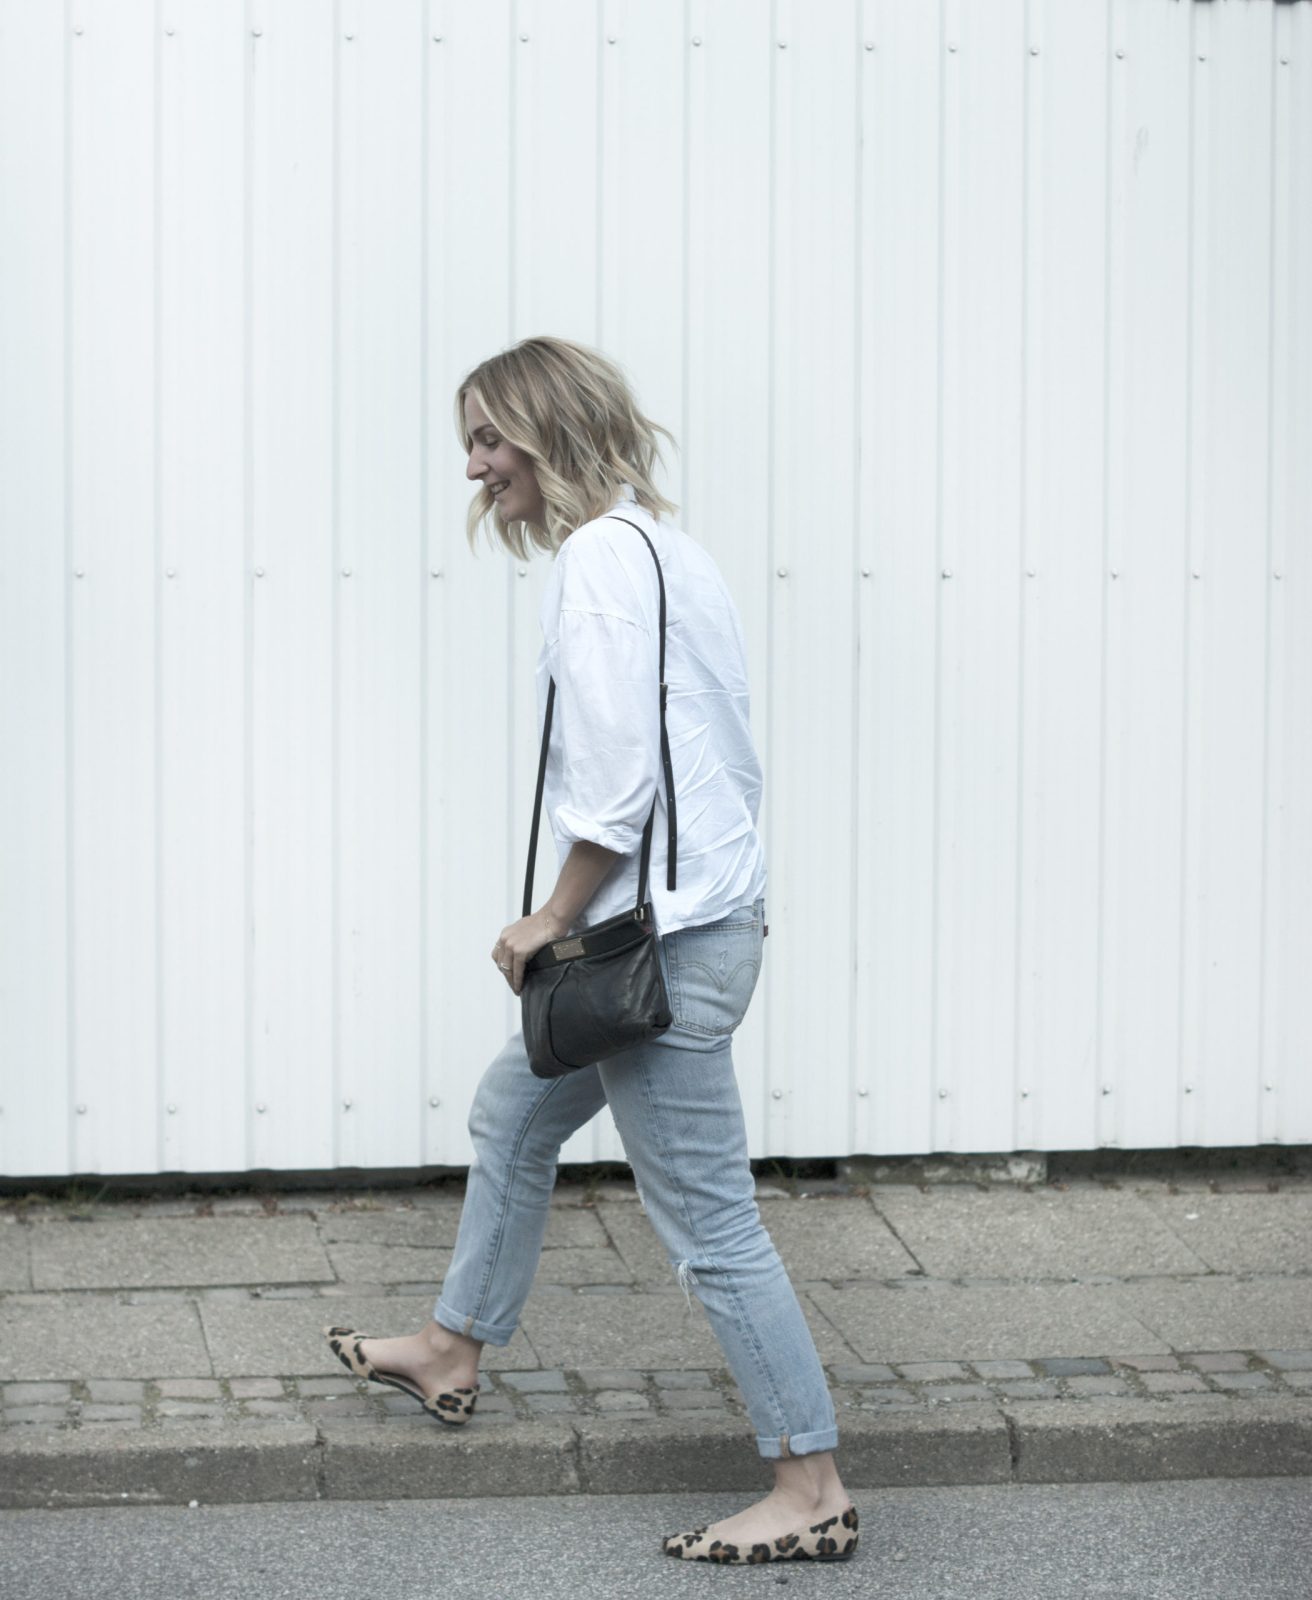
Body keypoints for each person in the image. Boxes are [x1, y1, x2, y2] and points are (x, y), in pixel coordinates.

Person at [325, 336, 858, 1565]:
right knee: (512, 1115)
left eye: (489, 440)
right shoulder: (671, 552)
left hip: (650, 949)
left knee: (712, 1227)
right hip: (690, 926)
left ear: (549, 432)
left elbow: (616, 784)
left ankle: (809, 1482)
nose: (474, 469)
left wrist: (548, 918)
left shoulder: (598, 565)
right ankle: (454, 1349)